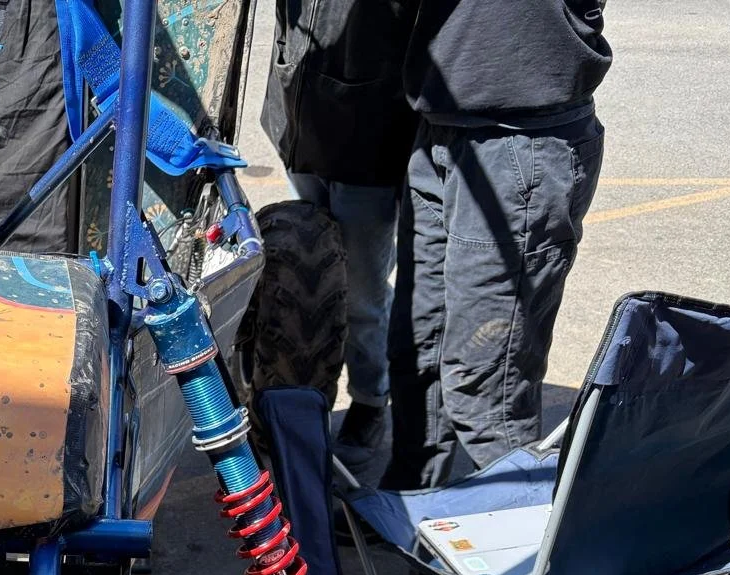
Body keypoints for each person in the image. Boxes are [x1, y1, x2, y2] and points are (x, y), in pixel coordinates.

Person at [381, 0, 610, 490]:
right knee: (419, 347)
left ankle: (518, 520)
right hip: (442, 123)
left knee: (486, 383)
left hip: (520, 137)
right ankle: (415, 504)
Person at [261, 0, 419, 468]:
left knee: (361, 294)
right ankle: (303, 397)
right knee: (302, 272)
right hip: (302, 119)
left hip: (368, 133)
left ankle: (370, 400)